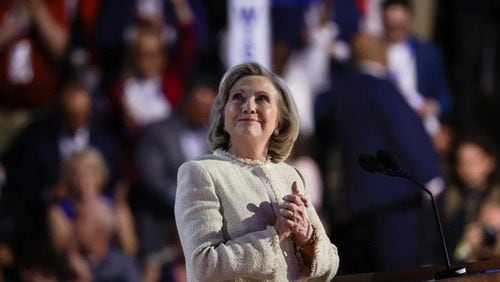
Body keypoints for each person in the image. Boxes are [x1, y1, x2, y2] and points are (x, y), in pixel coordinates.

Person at [174, 62, 339, 281]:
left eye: (262, 98)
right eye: (238, 97)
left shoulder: (291, 176)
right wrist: (275, 234)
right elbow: (203, 265)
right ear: (223, 117)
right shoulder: (200, 172)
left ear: (279, 121)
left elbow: (331, 265)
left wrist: (306, 236)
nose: (248, 107)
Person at [315, 33, 442, 273]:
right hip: (395, 204)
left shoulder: (339, 92)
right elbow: (406, 133)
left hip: (355, 204)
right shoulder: (382, 88)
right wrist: (431, 178)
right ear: (382, 56)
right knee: (402, 274)